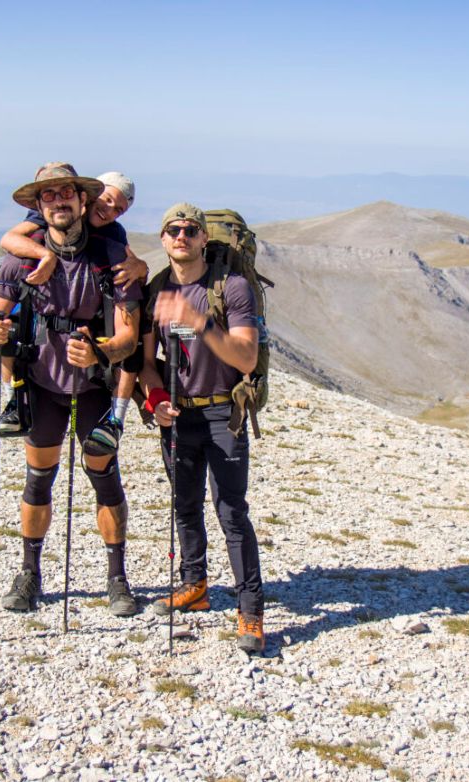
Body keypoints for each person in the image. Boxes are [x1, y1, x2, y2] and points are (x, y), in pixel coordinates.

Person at [0, 162, 143, 617]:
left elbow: (129, 335)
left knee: (104, 479)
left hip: (91, 387)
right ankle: (29, 573)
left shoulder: (111, 255)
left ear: (83, 200)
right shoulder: (21, 258)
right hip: (41, 385)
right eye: (47, 196)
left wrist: (101, 354)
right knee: (39, 480)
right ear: (38, 206)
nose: (58, 201)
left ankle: (117, 579)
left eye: (66, 192)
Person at [140, 203, 266, 654]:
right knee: (184, 504)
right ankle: (195, 585)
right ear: (162, 237)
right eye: (172, 229)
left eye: (190, 230)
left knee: (231, 511)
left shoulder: (230, 288)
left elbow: (246, 358)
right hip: (178, 414)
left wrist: (199, 323)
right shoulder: (155, 290)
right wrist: (155, 400)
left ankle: (250, 610)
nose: (181, 236)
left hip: (221, 412)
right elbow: (146, 365)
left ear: (202, 238)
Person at [0, 172, 147, 457]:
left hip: (90, 344)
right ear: (90, 197)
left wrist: (142, 269)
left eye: (119, 210)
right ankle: (13, 400)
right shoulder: (47, 217)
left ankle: (116, 419)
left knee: (137, 336)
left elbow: (133, 265)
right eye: (108, 200)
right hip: (40, 319)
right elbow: (9, 238)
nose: (110, 211)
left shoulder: (113, 235)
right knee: (11, 328)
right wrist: (46, 256)